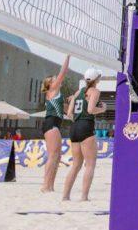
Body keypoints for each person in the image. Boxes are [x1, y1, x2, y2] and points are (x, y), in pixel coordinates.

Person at [62, 67, 106, 202]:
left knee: (76, 165)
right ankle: (84, 197)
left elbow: (69, 114)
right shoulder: (95, 91)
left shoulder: (78, 92)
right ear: (96, 79)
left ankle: (65, 196)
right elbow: (91, 109)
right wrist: (103, 109)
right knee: (90, 164)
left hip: (74, 127)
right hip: (86, 126)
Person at [39, 55, 71, 193]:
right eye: (54, 80)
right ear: (50, 84)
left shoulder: (56, 95)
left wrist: (71, 106)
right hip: (51, 123)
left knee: (56, 156)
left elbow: (64, 109)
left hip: (54, 123)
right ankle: (45, 185)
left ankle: (50, 185)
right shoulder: (53, 90)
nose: (56, 80)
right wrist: (68, 57)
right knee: (53, 155)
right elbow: (63, 73)